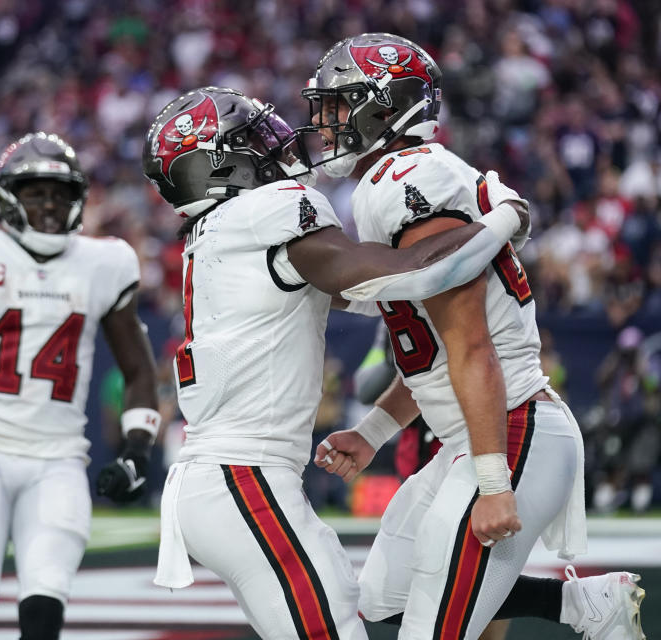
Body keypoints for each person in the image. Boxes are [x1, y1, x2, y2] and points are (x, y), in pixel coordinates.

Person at [143, 86, 530, 640]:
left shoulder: (225, 233)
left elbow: (382, 297)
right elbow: (413, 275)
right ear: (218, 165)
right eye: (252, 138)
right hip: (241, 478)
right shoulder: (266, 212)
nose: (276, 141)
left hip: (230, 478)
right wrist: (502, 220)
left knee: (360, 605)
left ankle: (575, 604)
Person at [304, 33, 645, 640]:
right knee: (384, 597)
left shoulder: (409, 177)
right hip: (482, 429)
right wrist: (372, 432)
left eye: (339, 105)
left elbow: (470, 345)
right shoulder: (403, 176)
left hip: (511, 429)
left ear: (386, 108)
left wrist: (494, 482)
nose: (326, 122)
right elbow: (435, 355)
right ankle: (579, 606)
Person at [0, 132, 160, 640]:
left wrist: (137, 450)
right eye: (36, 192)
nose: (49, 204)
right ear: (6, 198)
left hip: (58, 461)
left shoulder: (103, 263)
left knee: (43, 609)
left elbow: (139, 371)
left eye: (60, 194)